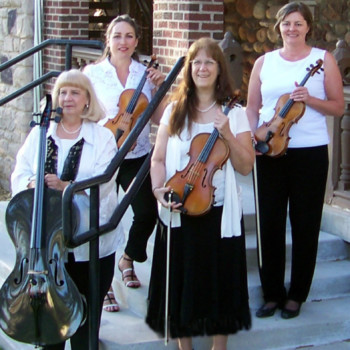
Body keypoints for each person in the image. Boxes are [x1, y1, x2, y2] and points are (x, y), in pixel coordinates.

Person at [145, 37, 254, 350]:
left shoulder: (235, 113)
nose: (202, 68)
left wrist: (228, 134)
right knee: (180, 281)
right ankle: (185, 347)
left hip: (217, 211)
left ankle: (219, 347)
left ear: (220, 69)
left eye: (209, 62)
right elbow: (159, 159)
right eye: (197, 62)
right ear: (189, 69)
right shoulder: (174, 111)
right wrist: (157, 189)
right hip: (178, 206)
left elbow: (246, 166)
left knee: (220, 281)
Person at [11, 69, 124, 349]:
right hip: (47, 248)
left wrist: (67, 186)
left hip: (87, 242)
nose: (67, 98)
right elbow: (20, 171)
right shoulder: (40, 134)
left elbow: (106, 181)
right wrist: (31, 182)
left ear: (87, 100)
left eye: (75, 92)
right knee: (51, 326)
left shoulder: (102, 137)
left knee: (85, 323)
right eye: (62, 92)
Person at [245, 1, 344, 320]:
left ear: (308, 27)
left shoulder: (323, 60)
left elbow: (338, 107)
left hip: (310, 153)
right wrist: (254, 132)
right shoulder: (264, 62)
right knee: (269, 223)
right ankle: (271, 293)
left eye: (298, 23)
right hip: (269, 149)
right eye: (287, 23)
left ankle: (296, 294)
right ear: (279, 27)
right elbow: (251, 106)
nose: (292, 29)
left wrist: (310, 99)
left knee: (305, 224)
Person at [83, 14, 166, 313]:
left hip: (138, 153)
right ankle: (103, 286)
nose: (123, 41)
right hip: (105, 156)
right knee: (104, 220)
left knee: (146, 213)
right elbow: (85, 113)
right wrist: (111, 127)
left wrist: (161, 89)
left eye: (129, 36)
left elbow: (158, 119)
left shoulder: (145, 74)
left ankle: (128, 258)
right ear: (108, 39)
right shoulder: (93, 74)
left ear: (136, 42)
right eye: (117, 35)